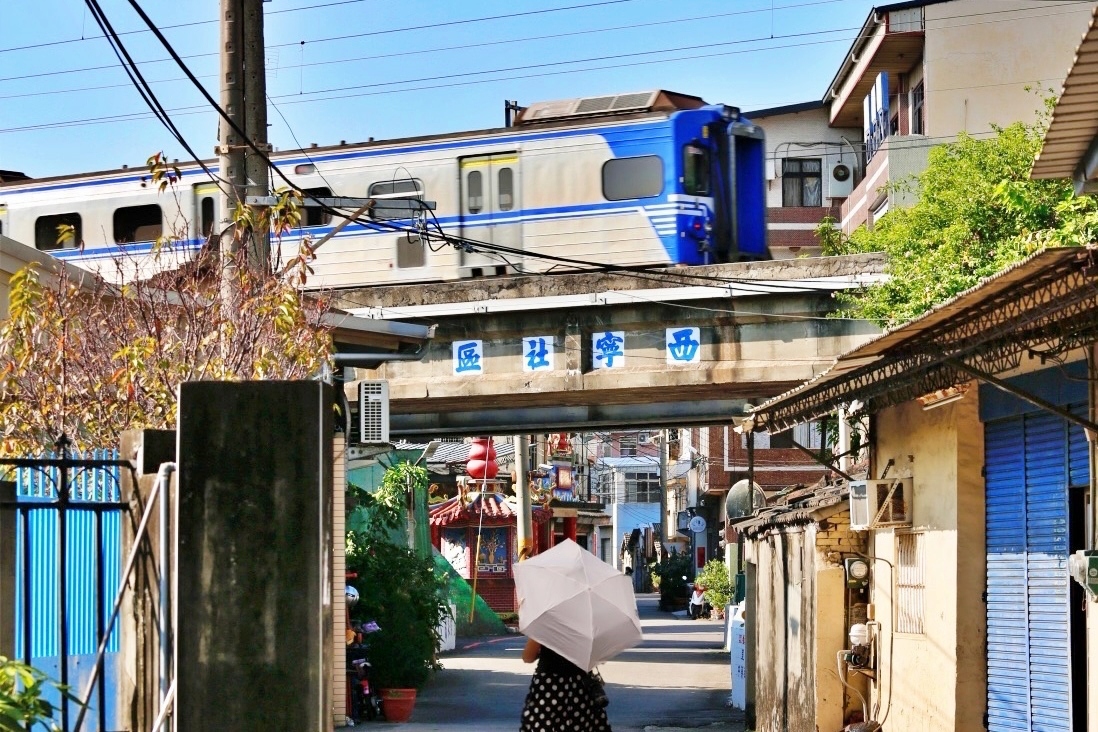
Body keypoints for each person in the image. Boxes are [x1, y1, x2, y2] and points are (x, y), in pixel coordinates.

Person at [520, 638, 612, 731]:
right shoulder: (586, 626)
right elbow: (598, 658)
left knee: (544, 723)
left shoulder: (544, 625)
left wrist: (542, 652)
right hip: (580, 685)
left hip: (549, 685)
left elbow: (528, 657)